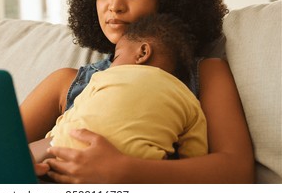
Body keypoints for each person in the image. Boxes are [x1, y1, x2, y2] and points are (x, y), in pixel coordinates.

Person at [20, 0, 254, 183]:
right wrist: (48, 150)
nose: (115, 6)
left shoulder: (205, 73)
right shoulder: (64, 83)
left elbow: (237, 170)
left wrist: (124, 170)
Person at [45, 13, 208, 161]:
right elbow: (196, 157)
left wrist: (53, 137)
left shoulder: (104, 76)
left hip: (67, 156)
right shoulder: (189, 100)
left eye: (116, 57)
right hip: (144, 168)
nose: (111, 65)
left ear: (143, 53)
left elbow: (73, 115)